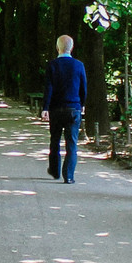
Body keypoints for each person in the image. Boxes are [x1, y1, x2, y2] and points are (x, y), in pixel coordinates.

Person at [39, 35, 87, 184]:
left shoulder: (52, 65)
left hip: (56, 109)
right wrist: (82, 104)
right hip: (73, 108)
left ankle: (54, 171)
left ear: (57, 47)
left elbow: (49, 88)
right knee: (71, 142)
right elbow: (83, 88)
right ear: (71, 48)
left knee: (55, 140)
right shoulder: (79, 65)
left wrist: (45, 108)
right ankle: (69, 175)